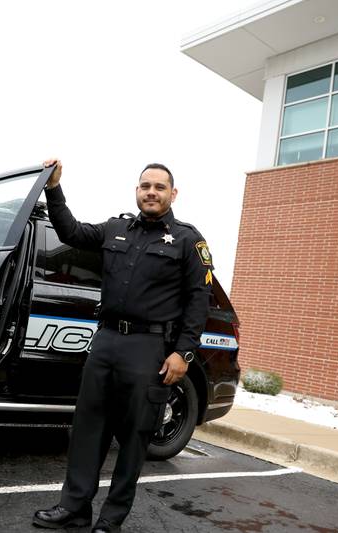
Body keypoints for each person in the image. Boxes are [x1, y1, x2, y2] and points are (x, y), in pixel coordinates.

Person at [32, 159, 214, 532]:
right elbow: (70, 232)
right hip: (107, 341)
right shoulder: (115, 228)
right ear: (136, 191)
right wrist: (53, 188)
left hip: (150, 348)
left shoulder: (187, 240)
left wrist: (183, 353)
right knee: (87, 428)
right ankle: (75, 508)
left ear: (172, 194)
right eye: (145, 185)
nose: (151, 192)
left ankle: (110, 519)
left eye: (159, 187)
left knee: (134, 436)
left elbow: (199, 300)